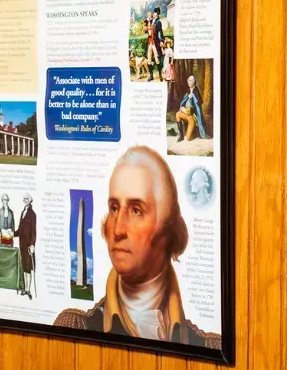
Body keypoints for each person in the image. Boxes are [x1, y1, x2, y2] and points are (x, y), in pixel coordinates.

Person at [54, 146, 216, 346]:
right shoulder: (74, 327)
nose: (118, 229)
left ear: (166, 228)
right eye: (114, 208)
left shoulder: (209, 345)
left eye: (136, 210)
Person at [174, 74, 208, 142]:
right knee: (178, 114)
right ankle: (181, 135)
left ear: (194, 81)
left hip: (192, 117)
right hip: (186, 113)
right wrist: (182, 108)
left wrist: (189, 109)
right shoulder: (188, 91)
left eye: (190, 80)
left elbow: (198, 105)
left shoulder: (196, 92)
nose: (189, 82)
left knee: (188, 138)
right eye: (188, 80)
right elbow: (183, 102)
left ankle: (193, 133)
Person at [16, 194, 37, 298]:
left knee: (28, 268)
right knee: (24, 267)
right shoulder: (22, 212)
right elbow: (19, 230)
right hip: (22, 245)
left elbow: (33, 231)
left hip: (29, 246)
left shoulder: (32, 214)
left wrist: (32, 244)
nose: (25, 200)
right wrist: (12, 234)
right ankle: (25, 289)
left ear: (30, 200)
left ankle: (28, 290)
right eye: (24, 198)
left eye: (27, 199)